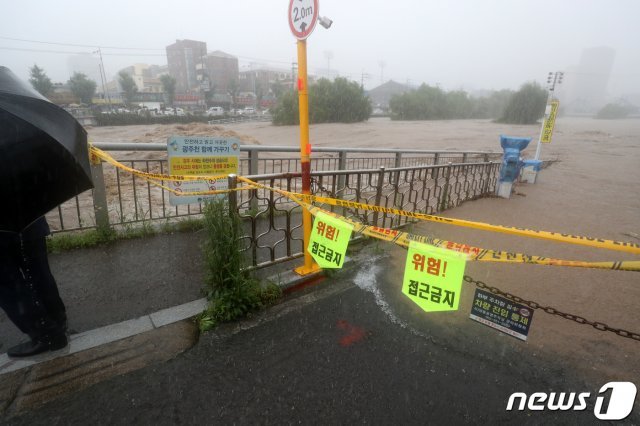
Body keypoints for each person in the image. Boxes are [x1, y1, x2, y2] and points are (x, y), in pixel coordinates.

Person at [0, 216, 68, 357]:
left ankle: (46, 334)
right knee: (39, 273)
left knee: (8, 285)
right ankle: (57, 321)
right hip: (31, 223)